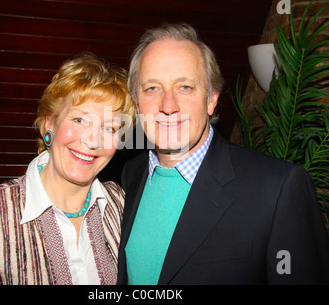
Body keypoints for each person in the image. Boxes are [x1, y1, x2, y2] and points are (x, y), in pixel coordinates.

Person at [118, 23, 329, 285]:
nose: (167, 105)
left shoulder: (279, 189)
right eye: (152, 88)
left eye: (185, 87)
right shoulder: (130, 176)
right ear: (137, 102)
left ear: (211, 99)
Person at [0, 53, 135, 285]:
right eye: (79, 120)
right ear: (49, 123)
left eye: (109, 128)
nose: (93, 141)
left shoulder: (122, 205)